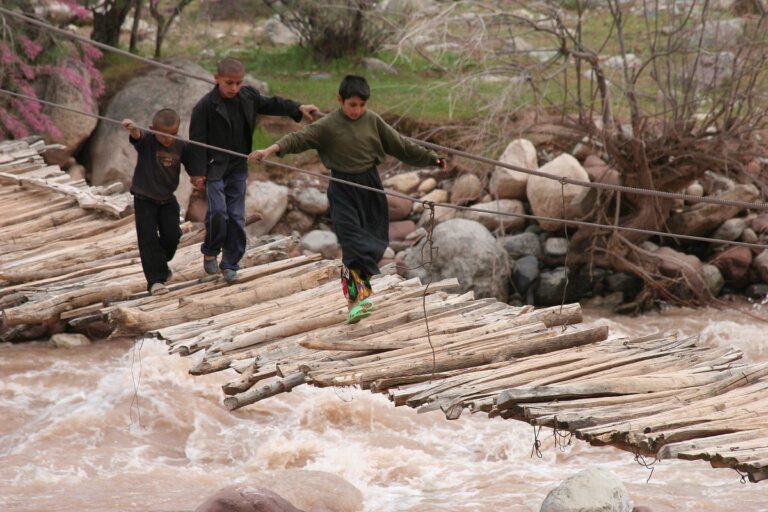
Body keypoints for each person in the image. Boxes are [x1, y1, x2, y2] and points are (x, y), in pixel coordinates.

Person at [248, 74, 447, 324]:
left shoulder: (373, 121)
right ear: (340, 100)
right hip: (342, 189)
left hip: (370, 187)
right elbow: (299, 139)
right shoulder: (329, 125)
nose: (357, 110)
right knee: (352, 245)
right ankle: (355, 302)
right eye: (352, 105)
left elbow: (401, 145)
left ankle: (361, 292)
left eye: (362, 105)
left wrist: (432, 158)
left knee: (374, 243)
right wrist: (270, 150)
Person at [188, 57, 318, 283]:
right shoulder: (204, 108)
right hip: (214, 167)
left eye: (238, 83)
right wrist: (196, 172)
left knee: (237, 217)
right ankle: (210, 250)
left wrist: (297, 108)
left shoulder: (248, 97)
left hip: (238, 167)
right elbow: (196, 142)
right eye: (229, 83)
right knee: (218, 212)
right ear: (217, 79)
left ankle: (230, 263)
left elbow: (272, 103)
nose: (234, 88)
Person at [122, 108, 192, 296]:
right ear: (153, 129)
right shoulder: (148, 141)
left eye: (173, 134)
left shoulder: (181, 146)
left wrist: (198, 177)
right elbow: (138, 136)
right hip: (144, 199)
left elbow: (193, 164)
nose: (169, 139)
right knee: (148, 240)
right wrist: (133, 129)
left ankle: (160, 262)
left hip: (167, 199)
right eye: (164, 135)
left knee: (172, 235)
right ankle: (156, 281)